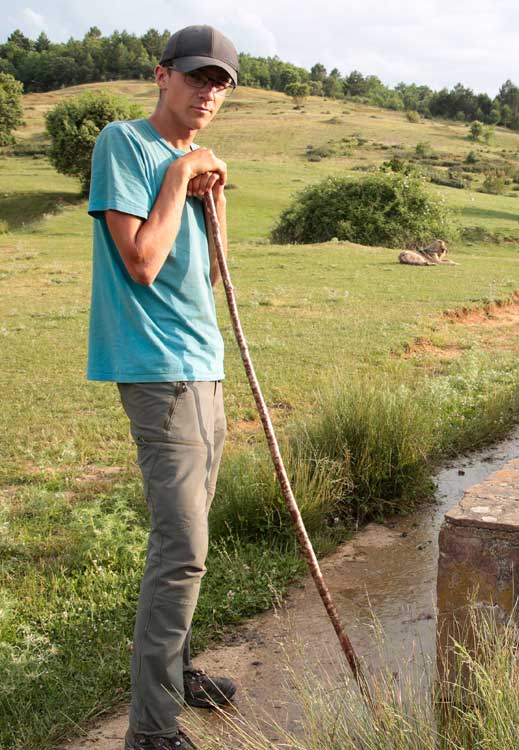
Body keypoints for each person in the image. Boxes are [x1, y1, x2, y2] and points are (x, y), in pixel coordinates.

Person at [86, 24, 240, 750]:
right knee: (180, 545)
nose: (208, 91)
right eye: (197, 76)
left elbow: (204, 278)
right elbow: (142, 264)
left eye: (220, 83)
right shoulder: (126, 143)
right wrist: (181, 176)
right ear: (162, 75)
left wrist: (215, 199)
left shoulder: (191, 158)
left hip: (203, 364)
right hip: (157, 369)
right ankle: (151, 729)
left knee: (192, 538)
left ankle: (176, 672)